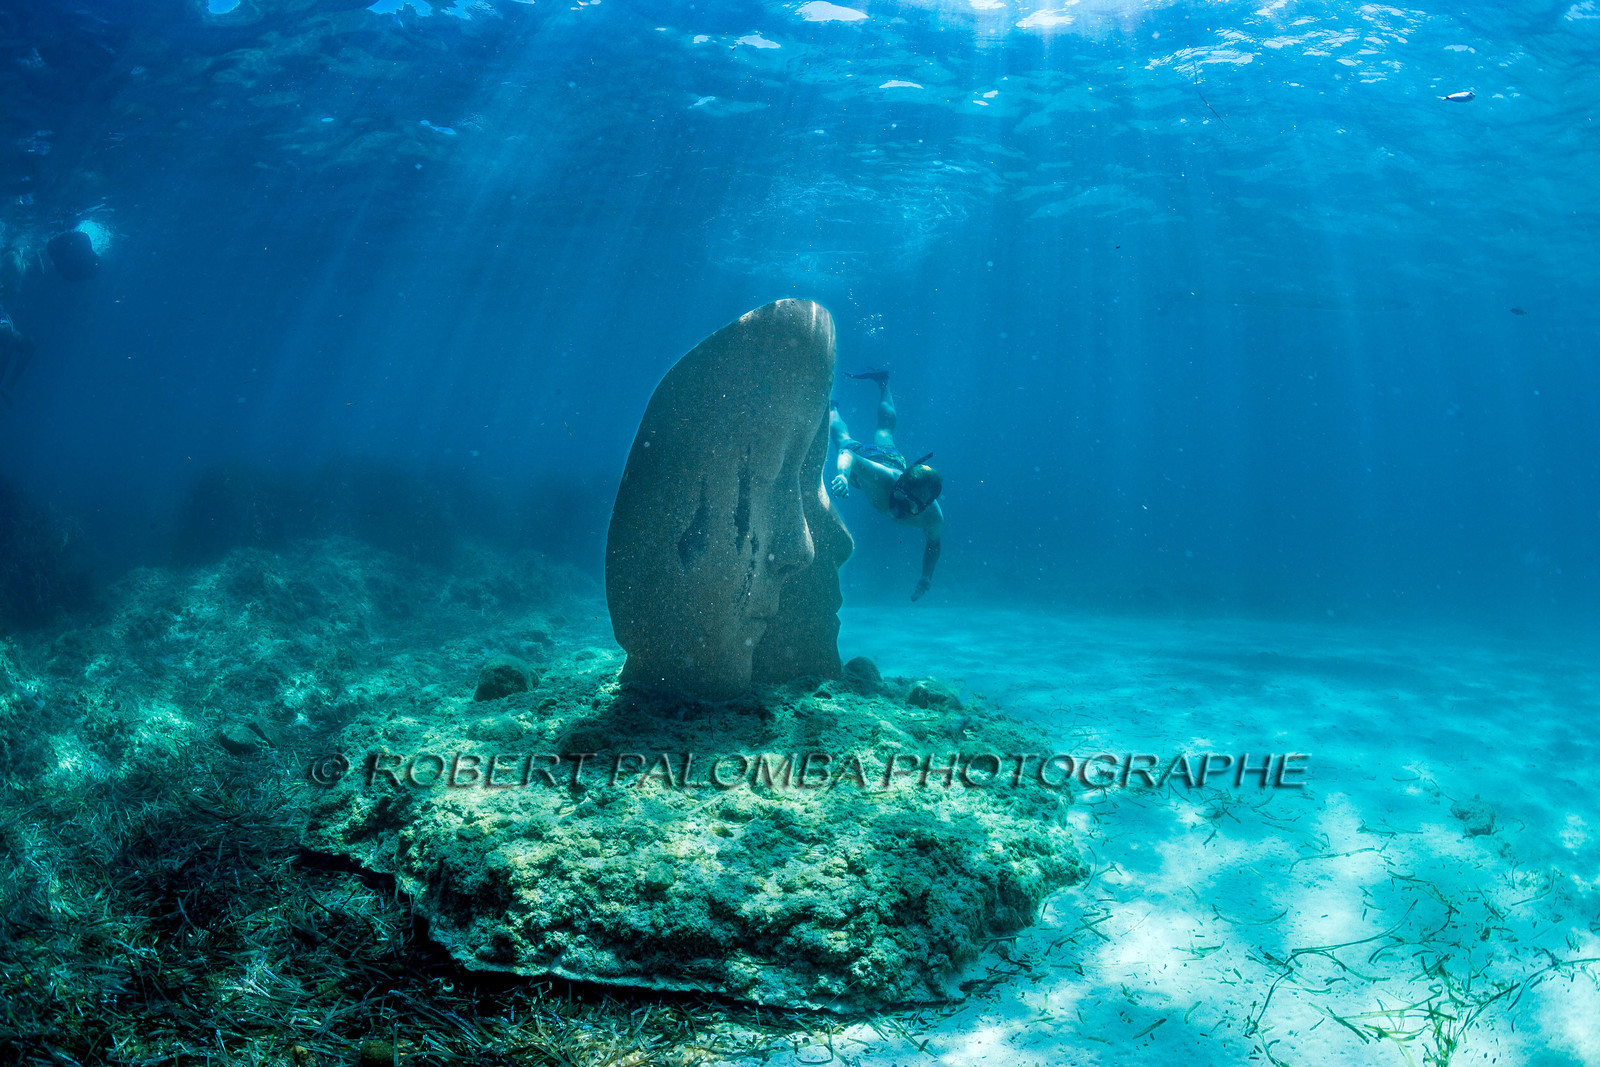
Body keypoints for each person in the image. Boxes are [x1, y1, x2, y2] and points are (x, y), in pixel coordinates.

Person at [828, 369, 943, 601]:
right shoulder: (886, 479)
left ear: (924, 506)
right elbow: (847, 454)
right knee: (843, 439)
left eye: (909, 506)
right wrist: (842, 475)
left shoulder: (933, 518)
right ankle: (831, 406)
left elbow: (933, 546)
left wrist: (926, 576)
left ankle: (883, 381)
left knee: (885, 431)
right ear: (900, 484)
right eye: (900, 496)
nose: (898, 507)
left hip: (895, 463)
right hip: (874, 469)